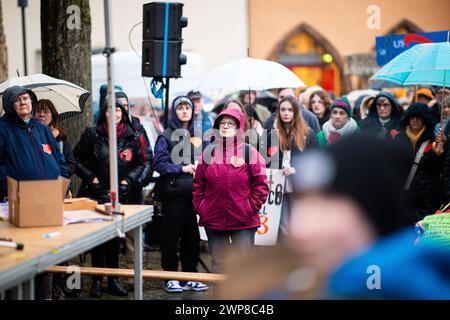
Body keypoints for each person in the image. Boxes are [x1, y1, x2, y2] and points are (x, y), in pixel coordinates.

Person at [0, 86, 69, 300]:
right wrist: (9, 187)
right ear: (9, 105)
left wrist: (63, 181)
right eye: (18, 100)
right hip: (17, 202)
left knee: (47, 251)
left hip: (48, 200)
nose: (23, 103)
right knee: (21, 255)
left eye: (27, 99)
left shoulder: (42, 129)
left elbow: (58, 158)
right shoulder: (2, 128)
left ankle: (44, 295)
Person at [73, 100, 145, 298]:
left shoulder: (132, 136)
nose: (114, 113)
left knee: (115, 237)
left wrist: (127, 181)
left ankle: (113, 279)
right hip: (96, 192)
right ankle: (96, 280)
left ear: (123, 113)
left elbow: (140, 163)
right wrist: (90, 177)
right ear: (104, 112)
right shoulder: (92, 134)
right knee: (98, 238)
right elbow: (75, 159)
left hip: (120, 194)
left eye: (119, 109)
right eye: (110, 109)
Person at [192, 107, 270, 273]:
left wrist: (248, 208)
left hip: (243, 222)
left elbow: (261, 186)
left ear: (238, 128)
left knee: (243, 267)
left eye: (231, 123)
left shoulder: (250, 152)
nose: (226, 126)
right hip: (214, 219)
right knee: (219, 266)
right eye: (223, 123)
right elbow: (198, 183)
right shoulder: (209, 151)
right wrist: (202, 207)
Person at [153, 96, 209, 293]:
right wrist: (181, 168)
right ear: (174, 111)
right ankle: (171, 276)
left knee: (192, 237)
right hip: (174, 195)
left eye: (187, 107)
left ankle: (189, 276)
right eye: (180, 108)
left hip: (196, 194)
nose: (184, 111)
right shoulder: (166, 136)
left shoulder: (201, 134)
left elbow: (208, 159)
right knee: (171, 236)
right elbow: (159, 163)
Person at [263, 95, 316, 240]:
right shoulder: (270, 134)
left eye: (290, 110)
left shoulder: (307, 134)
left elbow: (314, 159)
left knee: (300, 224)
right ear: (278, 112)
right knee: (281, 225)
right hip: (277, 186)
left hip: (299, 185)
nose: (286, 113)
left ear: (296, 112)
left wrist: (295, 168)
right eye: (283, 110)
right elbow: (264, 160)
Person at [392, 102, 445, 225]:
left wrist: (439, 153)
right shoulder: (398, 138)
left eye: (419, 117)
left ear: (425, 119)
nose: (415, 120)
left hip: (427, 199)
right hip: (403, 198)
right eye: (412, 116)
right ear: (408, 118)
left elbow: (438, 169)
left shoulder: (433, 140)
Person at [115, 91, 154, 204]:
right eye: (120, 105)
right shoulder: (103, 130)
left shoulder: (137, 128)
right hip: (110, 189)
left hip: (133, 189)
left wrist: (139, 180)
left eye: (126, 105)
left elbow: (147, 158)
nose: (124, 108)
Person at [35, 99, 77, 178]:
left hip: (57, 183)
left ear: (52, 116)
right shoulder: (29, 137)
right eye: (38, 111)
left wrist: (60, 175)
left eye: (46, 111)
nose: (41, 114)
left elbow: (71, 164)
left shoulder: (60, 139)